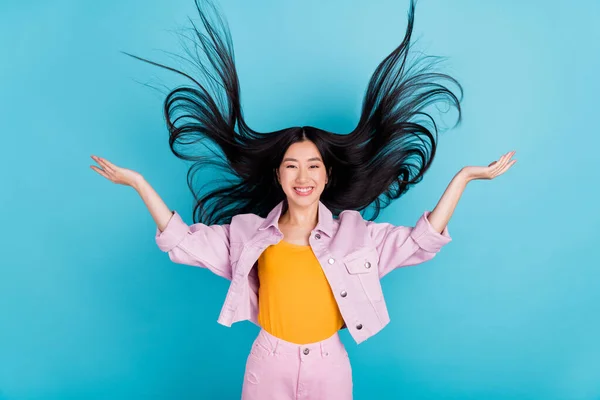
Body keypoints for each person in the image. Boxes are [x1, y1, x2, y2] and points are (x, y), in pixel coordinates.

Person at [90, 0, 516, 398]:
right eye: (292, 165)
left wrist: (464, 178)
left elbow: (420, 241)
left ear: (327, 176)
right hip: (267, 362)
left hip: (330, 365)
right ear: (278, 175)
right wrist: (140, 183)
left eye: (313, 166)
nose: (303, 175)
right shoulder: (249, 234)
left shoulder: (357, 234)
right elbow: (182, 243)